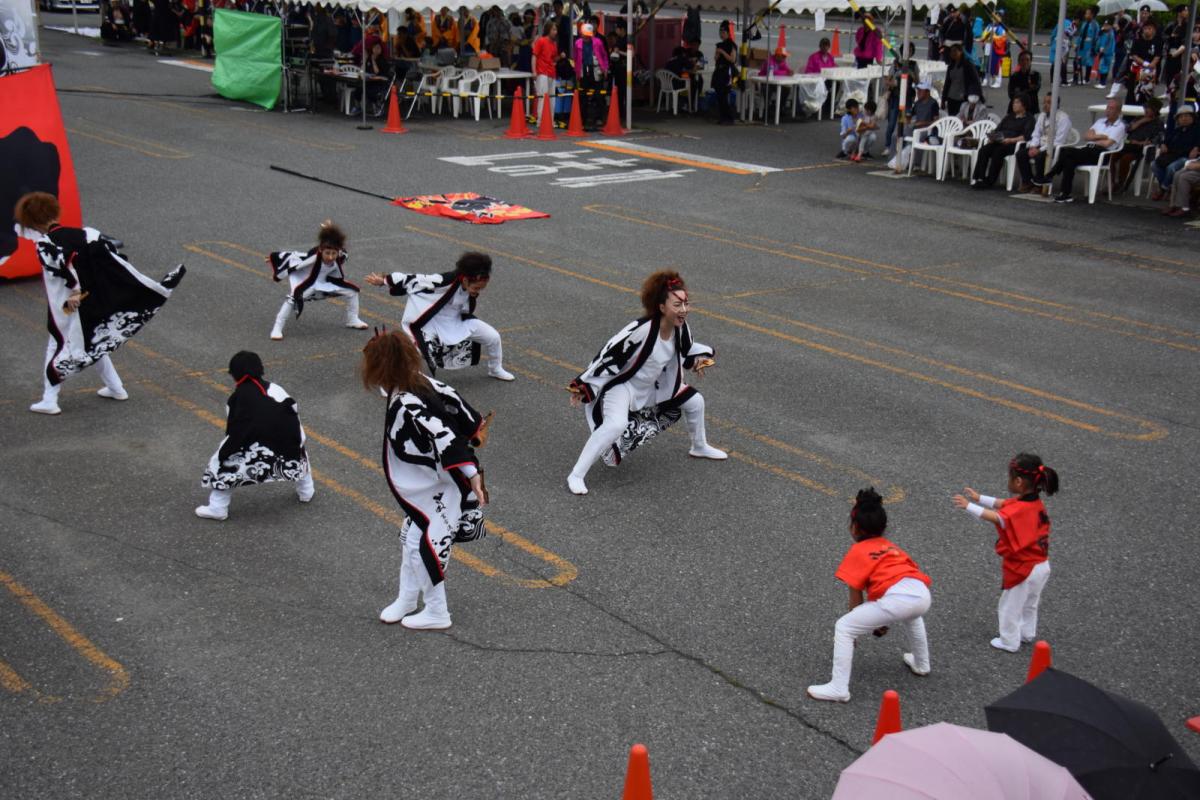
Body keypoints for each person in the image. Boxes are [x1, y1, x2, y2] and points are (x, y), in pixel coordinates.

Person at [14, 192, 185, 416]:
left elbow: (63, 265)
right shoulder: (88, 234)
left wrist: (75, 289)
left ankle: (50, 399)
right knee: (94, 341)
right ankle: (116, 388)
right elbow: (112, 255)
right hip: (93, 300)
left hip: (66, 307)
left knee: (57, 347)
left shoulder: (45, 245)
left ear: (33, 222)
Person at [363, 331, 490, 631]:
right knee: (410, 538)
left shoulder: (407, 402)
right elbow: (460, 407)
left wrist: (473, 476)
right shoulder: (420, 381)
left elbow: (443, 435)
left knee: (426, 547)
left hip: (445, 484)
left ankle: (437, 611)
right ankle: (408, 598)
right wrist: (473, 432)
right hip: (435, 480)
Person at [565, 271, 725, 496]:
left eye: (686, 304)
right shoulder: (640, 330)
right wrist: (582, 386)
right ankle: (577, 474)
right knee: (615, 425)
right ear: (661, 307)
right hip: (623, 387)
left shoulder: (681, 328)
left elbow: (686, 351)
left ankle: (699, 446)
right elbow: (609, 354)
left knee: (695, 401)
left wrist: (698, 362)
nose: (684, 310)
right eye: (677, 305)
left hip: (650, 388)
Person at [806, 488, 932, 703]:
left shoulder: (857, 551)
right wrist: (876, 620)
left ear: (854, 528)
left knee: (844, 627)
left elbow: (856, 597)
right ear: (884, 528)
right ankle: (921, 663)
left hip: (896, 599)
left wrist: (857, 629)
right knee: (912, 616)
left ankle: (838, 688)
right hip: (921, 594)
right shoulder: (892, 547)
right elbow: (892, 584)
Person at [952, 453, 1059, 653]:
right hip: (1042, 565)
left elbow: (998, 517)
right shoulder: (1033, 504)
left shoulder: (1018, 510)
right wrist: (980, 497)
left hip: (1024, 568)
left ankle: (1009, 641)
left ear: (1018, 482)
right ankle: (1027, 632)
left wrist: (969, 506)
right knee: (1030, 603)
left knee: (1010, 605)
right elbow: (1004, 504)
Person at [195, 352, 313, 521]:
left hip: (254, 447)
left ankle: (217, 507)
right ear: (260, 369)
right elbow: (293, 414)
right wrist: (298, 439)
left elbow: (234, 430)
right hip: (287, 444)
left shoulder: (235, 399)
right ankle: (306, 491)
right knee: (301, 454)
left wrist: (225, 453)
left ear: (234, 374)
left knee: (222, 463)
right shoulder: (276, 388)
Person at [364, 252, 513, 381]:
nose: (478, 291)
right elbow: (413, 278)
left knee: (493, 336)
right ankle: (389, 382)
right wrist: (384, 281)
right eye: (476, 288)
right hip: (429, 323)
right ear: (466, 280)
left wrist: (473, 291)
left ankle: (495, 369)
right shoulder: (443, 280)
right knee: (414, 353)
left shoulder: (470, 284)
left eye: (482, 288)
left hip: (454, 321)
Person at [266, 221, 367, 341]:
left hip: (326, 283)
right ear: (321, 250)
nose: (330, 257)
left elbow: (340, 246)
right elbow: (295, 257)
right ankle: (277, 327)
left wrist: (330, 231)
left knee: (352, 292)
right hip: (308, 283)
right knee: (292, 299)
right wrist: (275, 258)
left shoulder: (340, 256)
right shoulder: (313, 257)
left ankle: (352, 319)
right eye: (327, 253)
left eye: (333, 253)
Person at [1033, 97, 1126, 203]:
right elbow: (1086, 136)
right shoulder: (1100, 121)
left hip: (1101, 154)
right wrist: (1101, 136)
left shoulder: (1120, 126)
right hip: (1088, 149)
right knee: (1069, 161)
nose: (1108, 110)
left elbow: (1107, 143)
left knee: (1066, 152)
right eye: (1108, 108)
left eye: (1112, 108)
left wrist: (1095, 137)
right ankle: (1065, 194)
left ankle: (1050, 175)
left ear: (1118, 111)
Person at [971, 94, 1034, 188]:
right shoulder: (1009, 117)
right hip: (1000, 141)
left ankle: (990, 181)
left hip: (1013, 144)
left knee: (998, 152)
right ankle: (979, 178)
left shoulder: (1029, 119)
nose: (1014, 105)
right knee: (984, 150)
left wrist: (1011, 140)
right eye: (1013, 103)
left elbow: (1026, 136)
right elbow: (997, 129)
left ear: (1024, 105)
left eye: (1017, 103)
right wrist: (992, 137)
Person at [1016, 92, 1072, 192]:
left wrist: (1040, 149)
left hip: (1057, 148)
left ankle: (1039, 184)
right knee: (1021, 154)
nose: (1045, 105)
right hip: (1041, 144)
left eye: (1049, 103)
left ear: (1056, 105)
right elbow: (1036, 133)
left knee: (1040, 156)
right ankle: (1027, 181)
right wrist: (1033, 146)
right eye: (1044, 102)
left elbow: (1059, 140)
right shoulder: (1042, 116)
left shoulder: (1063, 118)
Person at [1114, 96, 1164, 190]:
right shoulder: (1139, 118)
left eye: (1149, 109)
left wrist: (1142, 142)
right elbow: (1128, 129)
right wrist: (1142, 121)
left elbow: (1159, 138)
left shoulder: (1158, 123)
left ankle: (1121, 183)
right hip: (1128, 144)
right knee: (1113, 156)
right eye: (1146, 108)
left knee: (1125, 158)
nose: (1146, 110)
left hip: (1140, 149)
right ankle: (1112, 182)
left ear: (1154, 111)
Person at [1150, 105, 1199, 201]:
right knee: (1154, 165)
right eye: (1181, 116)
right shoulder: (1177, 131)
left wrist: (1196, 147)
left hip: (1186, 157)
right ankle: (1167, 187)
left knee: (1171, 168)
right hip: (1172, 155)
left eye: (1187, 116)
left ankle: (1163, 189)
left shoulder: (1197, 129)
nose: (1184, 118)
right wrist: (1163, 144)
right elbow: (1165, 141)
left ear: (1192, 117)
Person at [883, 43, 919, 156]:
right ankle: (888, 146)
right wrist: (893, 83)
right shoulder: (895, 64)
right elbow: (887, 81)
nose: (907, 53)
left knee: (905, 123)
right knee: (891, 123)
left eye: (910, 50)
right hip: (895, 97)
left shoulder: (913, 65)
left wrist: (911, 74)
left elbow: (918, 81)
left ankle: (902, 146)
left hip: (907, 98)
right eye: (905, 50)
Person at [574, 22, 610, 127]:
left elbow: (604, 55)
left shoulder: (598, 42)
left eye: (587, 35)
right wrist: (577, 73)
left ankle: (599, 118)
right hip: (583, 70)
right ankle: (583, 119)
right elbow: (576, 58)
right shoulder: (578, 43)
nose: (585, 37)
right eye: (583, 34)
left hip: (596, 69)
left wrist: (605, 68)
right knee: (583, 96)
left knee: (599, 95)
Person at [532, 20, 560, 127]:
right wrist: (534, 71)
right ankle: (541, 121)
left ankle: (550, 120)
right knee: (543, 98)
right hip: (542, 72)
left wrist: (559, 57)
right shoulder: (541, 41)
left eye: (556, 29)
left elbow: (554, 59)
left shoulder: (554, 44)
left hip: (551, 73)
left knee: (552, 98)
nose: (555, 32)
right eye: (554, 29)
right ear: (548, 30)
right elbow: (534, 56)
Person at [942, 44, 982, 116]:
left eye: (955, 51)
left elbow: (975, 81)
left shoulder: (968, 65)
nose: (953, 53)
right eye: (951, 51)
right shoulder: (951, 66)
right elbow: (947, 83)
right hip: (951, 98)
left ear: (961, 52)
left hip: (963, 98)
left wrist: (976, 96)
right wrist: (943, 99)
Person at [712, 21, 738, 125]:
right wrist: (717, 54)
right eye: (720, 32)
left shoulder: (732, 45)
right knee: (718, 95)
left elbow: (732, 59)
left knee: (724, 95)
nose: (721, 34)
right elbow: (715, 58)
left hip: (727, 71)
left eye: (723, 32)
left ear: (728, 33)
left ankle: (729, 118)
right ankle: (722, 117)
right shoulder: (719, 45)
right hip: (718, 70)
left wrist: (722, 52)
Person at [1163, 4, 1191, 89]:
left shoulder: (1187, 25)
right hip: (1171, 53)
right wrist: (1171, 36)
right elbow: (1164, 36)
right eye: (1185, 10)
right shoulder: (1172, 24)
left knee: (1179, 77)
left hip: (1181, 54)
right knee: (1169, 76)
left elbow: (1187, 39)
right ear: (1179, 13)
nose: (1187, 12)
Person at [1076, 7, 1100, 85]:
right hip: (1082, 45)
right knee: (1078, 61)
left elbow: (1096, 37)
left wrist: (1095, 48)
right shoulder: (1084, 23)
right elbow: (1080, 34)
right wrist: (1077, 44)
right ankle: (1076, 77)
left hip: (1089, 46)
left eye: (1087, 14)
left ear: (1092, 15)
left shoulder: (1095, 25)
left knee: (1088, 62)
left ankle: (1087, 79)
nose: (1086, 15)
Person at [1095, 20, 1116, 86]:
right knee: (1102, 67)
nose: (1105, 26)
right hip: (1103, 52)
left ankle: (1102, 83)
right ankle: (1102, 82)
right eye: (1104, 25)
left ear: (1111, 26)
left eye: (1107, 25)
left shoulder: (1110, 34)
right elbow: (1099, 41)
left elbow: (1108, 44)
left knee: (1103, 67)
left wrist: (1103, 51)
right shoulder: (1104, 33)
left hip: (1107, 53)